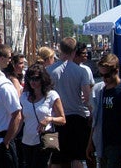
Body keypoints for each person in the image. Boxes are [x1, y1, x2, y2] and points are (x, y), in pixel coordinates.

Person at [47, 37, 93, 168]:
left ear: (60, 49)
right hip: (77, 117)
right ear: (75, 51)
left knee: (57, 159)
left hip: (56, 118)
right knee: (77, 157)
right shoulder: (81, 71)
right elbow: (87, 96)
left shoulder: (49, 71)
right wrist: (91, 114)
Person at [87, 54, 121, 168]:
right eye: (101, 75)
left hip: (117, 143)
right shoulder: (102, 90)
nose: (103, 78)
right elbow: (96, 119)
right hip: (102, 142)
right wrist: (90, 143)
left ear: (116, 71)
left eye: (106, 75)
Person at [20, 63, 66, 168]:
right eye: (30, 79)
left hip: (43, 140)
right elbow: (20, 119)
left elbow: (63, 119)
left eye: (36, 79)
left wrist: (49, 119)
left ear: (42, 79)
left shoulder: (52, 95)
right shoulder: (24, 96)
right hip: (27, 141)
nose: (33, 82)